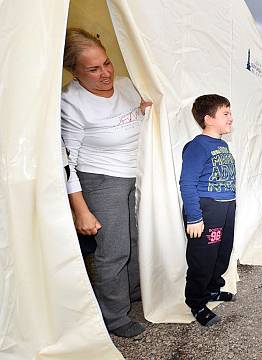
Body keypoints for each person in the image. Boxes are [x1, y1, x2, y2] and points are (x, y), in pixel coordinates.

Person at [61, 28, 151, 338]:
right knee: (113, 250)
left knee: (136, 241)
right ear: (75, 71)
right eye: (93, 69)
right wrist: (81, 210)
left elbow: (143, 113)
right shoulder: (70, 102)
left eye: (107, 63)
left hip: (135, 173)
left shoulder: (126, 85)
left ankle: (131, 291)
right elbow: (67, 162)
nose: (105, 74)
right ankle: (113, 316)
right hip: (100, 180)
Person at [179, 94, 237, 327]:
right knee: (202, 258)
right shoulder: (196, 146)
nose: (231, 118)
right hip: (207, 208)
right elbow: (187, 183)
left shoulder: (222, 144)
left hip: (227, 206)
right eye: (226, 113)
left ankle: (213, 289)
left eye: (230, 112)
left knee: (222, 253)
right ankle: (196, 302)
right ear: (208, 119)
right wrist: (194, 217)